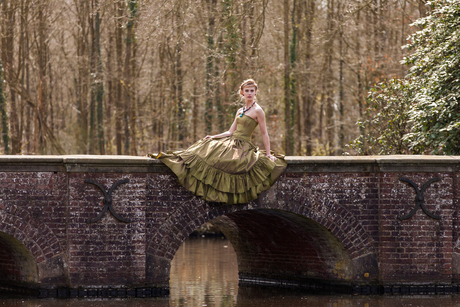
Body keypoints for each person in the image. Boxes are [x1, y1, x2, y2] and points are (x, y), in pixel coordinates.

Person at [149, 79, 287, 204]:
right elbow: (230, 132)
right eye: (247, 91)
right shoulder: (240, 110)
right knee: (205, 147)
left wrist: (268, 154)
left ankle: (220, 195)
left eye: (252, 91)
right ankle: (179, 161)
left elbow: (264, 133)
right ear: (242, 93)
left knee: (227, 163)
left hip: (243, 146)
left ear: (256, 92)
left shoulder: (258, 111)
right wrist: (213, 137)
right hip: (231, 141)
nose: (250, 93)